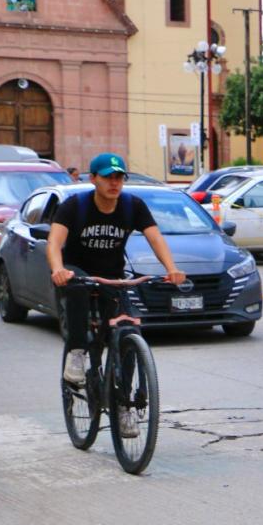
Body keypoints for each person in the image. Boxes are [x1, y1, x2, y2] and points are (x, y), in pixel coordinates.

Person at [47, 153, 186, 437]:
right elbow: (54, 242)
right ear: (93, 179)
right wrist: (59, 269)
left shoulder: (132, 206)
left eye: (119, 177)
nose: (114, 183)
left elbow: (155, 237)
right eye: (108, 177)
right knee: (75, 291)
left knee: (127, 332)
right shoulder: (75, 207)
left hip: (112, 275)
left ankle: (124, 408)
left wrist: (172, 268)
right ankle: (76, 353)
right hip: (78, 271)